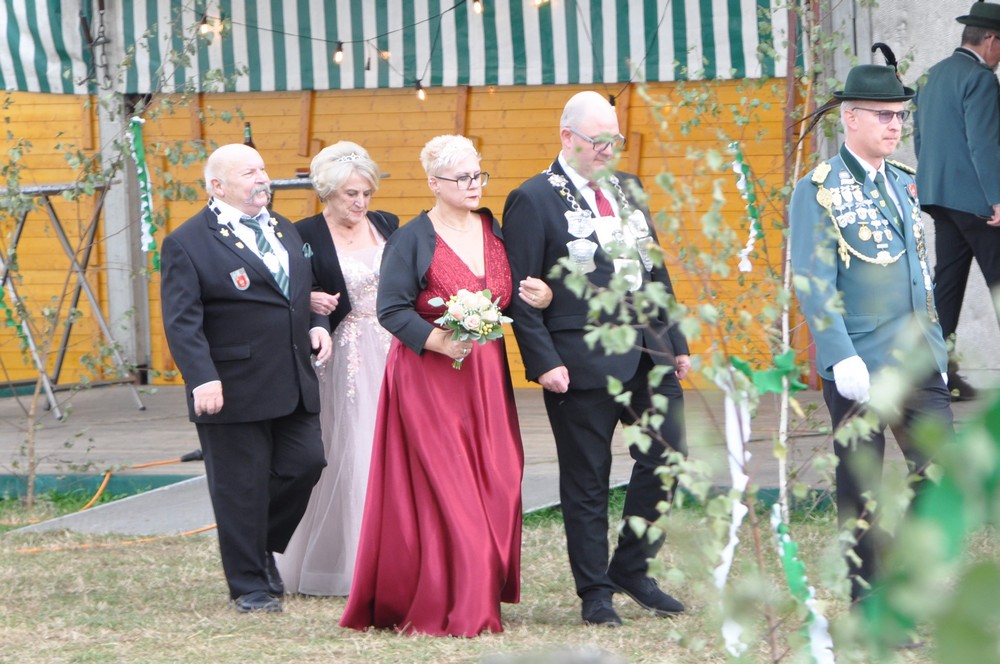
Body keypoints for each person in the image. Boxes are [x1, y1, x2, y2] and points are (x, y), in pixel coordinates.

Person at [339, 135, 552, 636]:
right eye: (462, 178)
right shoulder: (412, 239)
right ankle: (462, 605)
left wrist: (542, 296)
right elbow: (391, 310)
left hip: (486, 379)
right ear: (434, 183)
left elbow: (517, 295)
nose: (474, 185)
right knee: (451, 491)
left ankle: (478, 587)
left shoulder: (496, 232)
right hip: (429, 378)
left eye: (478, 175)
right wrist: (438, 341)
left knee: (501, 480)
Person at [501, 91, 691, 628]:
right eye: (598, 140)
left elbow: (655, 269)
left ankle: (632, 567)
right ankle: (594, 591)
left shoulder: (628, 188)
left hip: (648, 349)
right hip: (579, 359)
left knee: (669, 455)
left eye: (615, 140)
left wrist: (676, 339)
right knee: (587, 479)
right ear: (568, 137)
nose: (609, 150)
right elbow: (520, 289)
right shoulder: (534, 198)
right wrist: (543, 361)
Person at [789, 62, 955, 605]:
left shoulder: (904, 181)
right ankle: (868, 598)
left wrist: (937, 351)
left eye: (900, 116)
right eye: (884, 115)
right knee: (861, 484)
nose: (895, 125)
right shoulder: (820, 189)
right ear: (851, 117)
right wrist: (840, 355)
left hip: (917, 357)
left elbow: (919, 275)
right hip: (860, 358)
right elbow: (813, 280)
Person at [160, 143, 332, 613]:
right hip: (231, 386)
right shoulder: (187, 242)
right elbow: (182, 321)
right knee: (240, 487)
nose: (262, 179)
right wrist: (202, 378)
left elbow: (302, 292)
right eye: (249, 173)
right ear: (217, 186)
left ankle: (258, 547)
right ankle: (250, 586)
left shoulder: (282, 227)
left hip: (292, 378)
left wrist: (317, 324)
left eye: (263, 169)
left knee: (307, 463)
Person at [274, 142, 398, 596]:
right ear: (327, 192)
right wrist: (308, 301)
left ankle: (394, 556)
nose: (360, 203)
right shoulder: (302, 234)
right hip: (342, 352)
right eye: (351, 194)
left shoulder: (387, 224)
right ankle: (348, 561)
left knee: (393, 449)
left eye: (366, 193)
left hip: (392, 347)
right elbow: (284, 289)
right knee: (351, 446)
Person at [912, 0, 1000, 401]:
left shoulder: (929, 76)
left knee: (946, 287)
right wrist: (996, 198)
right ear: (991, 40)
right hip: (976, 202)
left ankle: (937, 378)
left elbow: (919, 140)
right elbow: (984, 144)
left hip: (939, 198)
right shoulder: (980, 80)